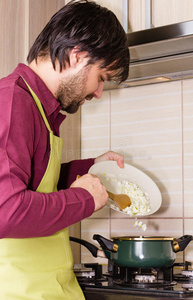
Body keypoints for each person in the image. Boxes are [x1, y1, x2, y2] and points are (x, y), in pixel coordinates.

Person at [0, 0, 129, 299]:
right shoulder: (12, 102)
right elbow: (6, 210)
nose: (98, 93)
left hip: (47, 289)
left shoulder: (41, 108)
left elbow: (37, 184)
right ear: (77, 56)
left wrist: (90, 169)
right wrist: (84, 198)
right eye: (101, 78)